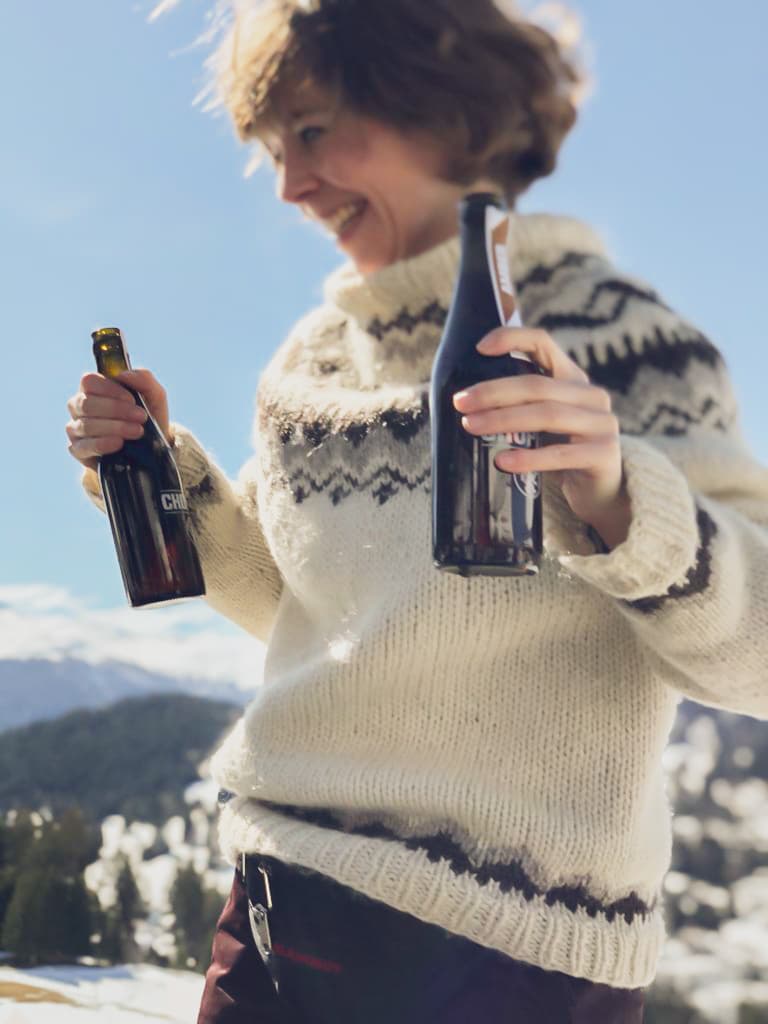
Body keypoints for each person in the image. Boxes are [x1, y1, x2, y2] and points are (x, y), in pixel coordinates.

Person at [65, 0, 768, 1021]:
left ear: (440, 105)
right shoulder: (314, 359)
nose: (292, 186)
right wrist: (156, 471)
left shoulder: (629, 346)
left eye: (313, 131)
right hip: (272, 903)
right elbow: (304, 610)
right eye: (274, 153)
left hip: (506, 957)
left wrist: (623, 501)